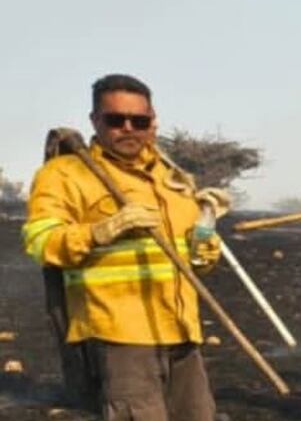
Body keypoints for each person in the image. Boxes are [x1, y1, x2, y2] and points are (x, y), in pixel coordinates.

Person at [21, 74, 222, 421]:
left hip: (182, 329)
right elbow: (41, 241)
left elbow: (186, 260)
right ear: (95, 121)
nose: (128, 128)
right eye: (116, 120)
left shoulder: (173, 178)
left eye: (139, 121)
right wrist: (101, 231)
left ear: (153, 122)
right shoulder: (67, 174)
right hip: (119, 334)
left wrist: (206, 248)